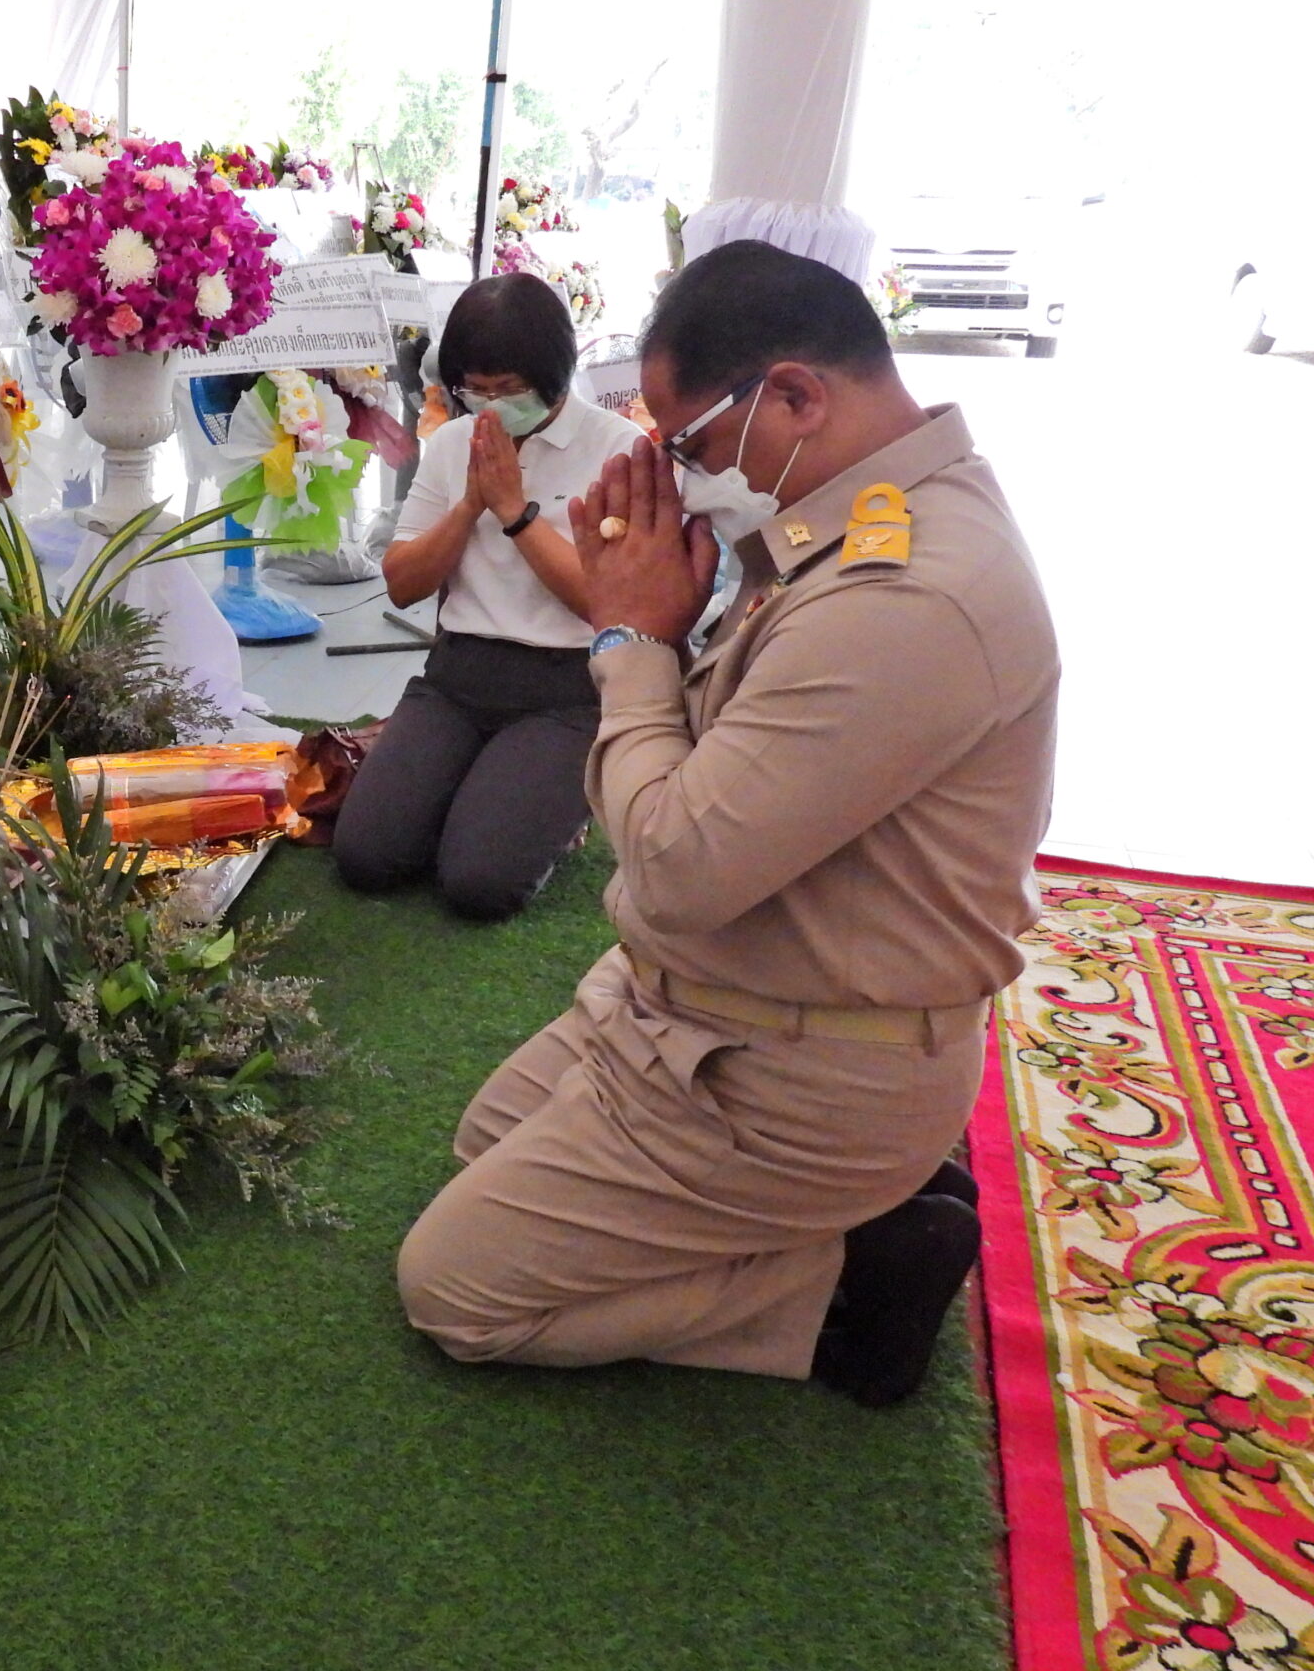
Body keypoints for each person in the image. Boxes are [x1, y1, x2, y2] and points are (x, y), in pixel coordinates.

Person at [395, 239, 1058, 1405]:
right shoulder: (860, 516)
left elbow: (673, 869)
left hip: (795, 1070)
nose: (677, 474)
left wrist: (629, 638)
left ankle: (843, 1281)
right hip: (706, 1002)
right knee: (483, 1145)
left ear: (794, 396)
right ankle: (843, 1210)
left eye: (689, 445)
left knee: (454, 1292)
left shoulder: (902, 596)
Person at [334, 273, 645, 921]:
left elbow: (605, 605)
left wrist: (513, 510)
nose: (493, 405)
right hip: (457, 677)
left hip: (566, 690)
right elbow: (403, 583)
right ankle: (477, 788)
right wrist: (469, 505)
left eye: (509, 389)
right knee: (367, 856)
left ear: (555, 375)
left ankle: (559, 800)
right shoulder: (454, 443)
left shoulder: (618, 449)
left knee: (479, 885)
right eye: (476, 390)